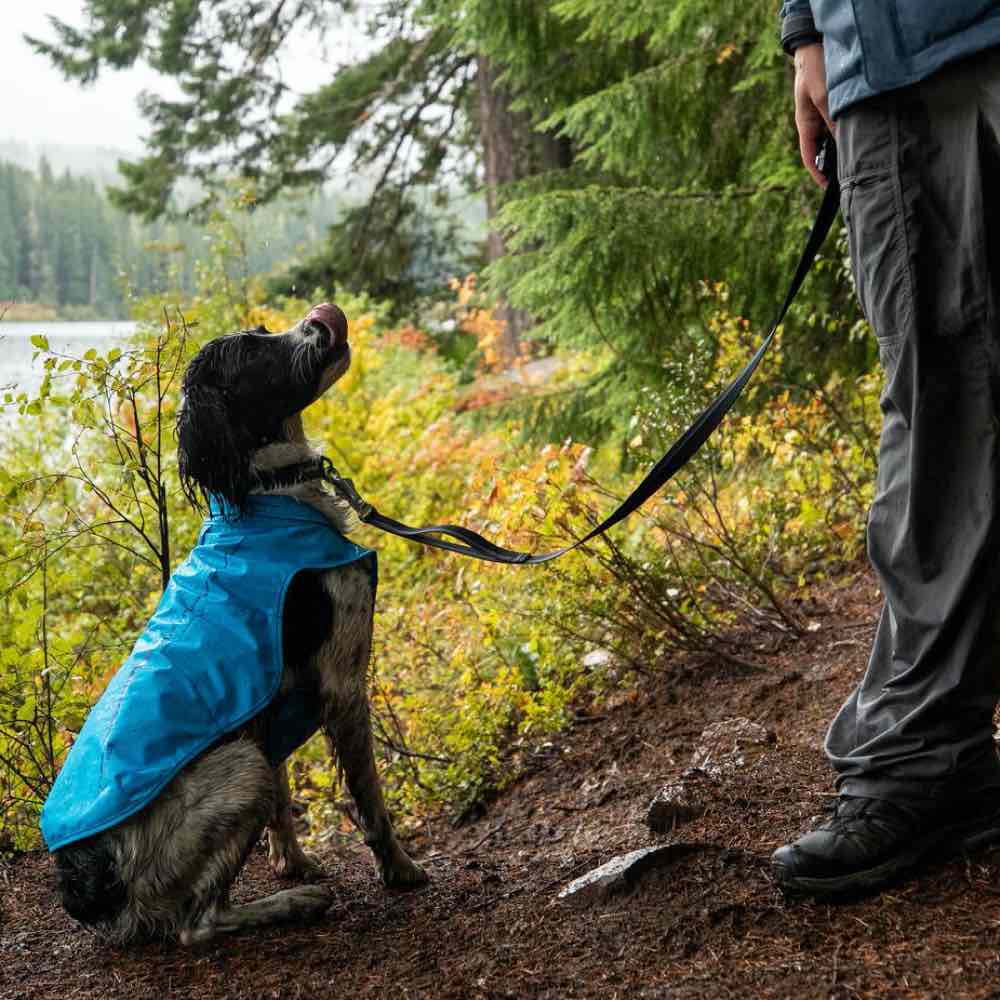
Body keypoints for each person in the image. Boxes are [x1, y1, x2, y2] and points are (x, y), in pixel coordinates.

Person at [773, 2, 1000, 898]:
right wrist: (807, 34)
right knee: (935, 408)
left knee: (945, 412)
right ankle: (929, 759)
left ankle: (924, 755)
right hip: (881, 70)